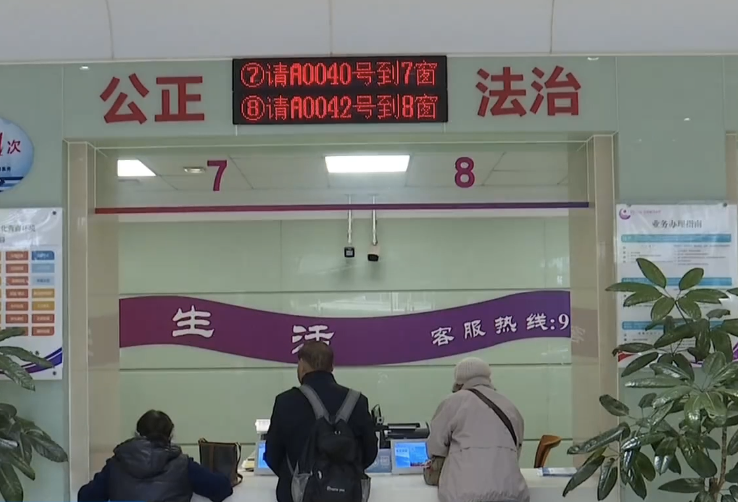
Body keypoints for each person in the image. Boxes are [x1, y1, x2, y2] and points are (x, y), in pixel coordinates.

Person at [265, 341, 378, 502]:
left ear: (302, 366)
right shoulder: (357, 401)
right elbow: (370, 452)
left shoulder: (285, 402)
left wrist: (295, 477)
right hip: (347, 495)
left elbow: (272, 455)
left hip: (296, 497)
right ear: (332, 367)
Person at [427, 357, 529, 502]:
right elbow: (516, 449)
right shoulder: (509, 406)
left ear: (458, 381)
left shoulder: (453, 402)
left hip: (463, 494)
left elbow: (436, 447)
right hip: (511, 492)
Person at [78, 410, 233, 502]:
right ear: (171, 436)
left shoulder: (115, 465)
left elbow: (86, 497)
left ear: (137, 434)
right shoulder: (183, 465)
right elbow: (222, 489)